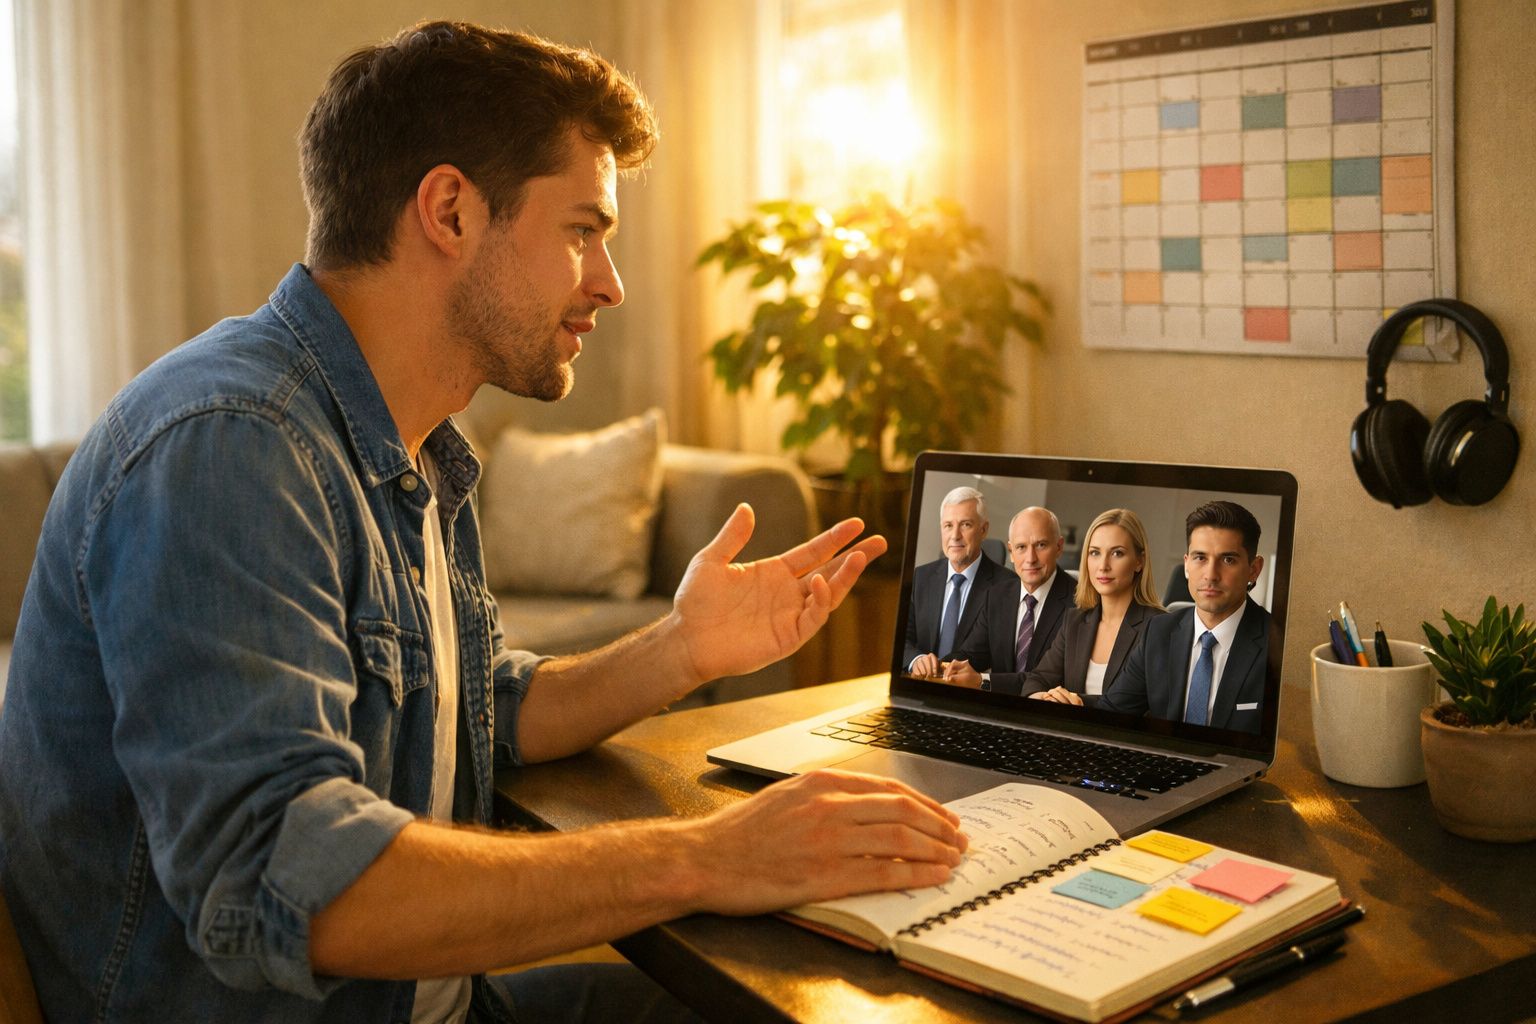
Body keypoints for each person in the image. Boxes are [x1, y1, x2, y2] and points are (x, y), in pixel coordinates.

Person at [0, 23, 969, 1023]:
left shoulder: (416, 447)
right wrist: (707, 855)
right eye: (581, 230)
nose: (609, 282)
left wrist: (684, 646)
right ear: (452, 211)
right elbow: (293, 881)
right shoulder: (234, 447)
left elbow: (478, 707)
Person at [1098, 501, 1271, 734]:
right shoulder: (1158, 632)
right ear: (1187, 564)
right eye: (1200, 558)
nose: (1211, 575)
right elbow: (1112, 713)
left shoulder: (1277, 644)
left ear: (1254, 568)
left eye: (1228, 559)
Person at [1023, 508, 1164, 707]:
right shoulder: (1075, 620)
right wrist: (1041, 697)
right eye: (1095, 553)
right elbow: (1037, 679)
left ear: (1139, 561)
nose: (1103, 565)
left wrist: (1077, 703)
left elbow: (1140, 704)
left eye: (1117, 553)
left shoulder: (1159, 628)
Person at [938, 506, 1075, 694]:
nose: (1030, 558)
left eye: (1041, 545)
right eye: (1021, 547)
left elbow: (1053, 678)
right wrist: (941, 666)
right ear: (1011, 551)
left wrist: (982, 681)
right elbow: (972, 654)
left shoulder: (1078, 603)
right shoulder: (997, 595)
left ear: (1059, 547)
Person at [902, 486, 1008, 677]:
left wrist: (937, 668)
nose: (955, 536)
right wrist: (916, 660)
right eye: (948, 525)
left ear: (983, 530)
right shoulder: (922, 577)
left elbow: (984, 653)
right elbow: (902, 638)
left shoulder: (1007, 586)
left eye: (965, 524)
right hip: (921, 684)